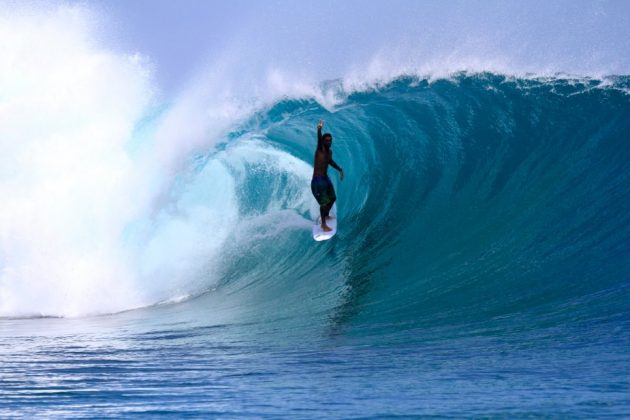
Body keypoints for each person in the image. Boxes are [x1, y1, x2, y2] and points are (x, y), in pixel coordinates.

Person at [311, 119, 344, 232]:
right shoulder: (320, 149)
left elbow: (330, 162)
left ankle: (325, 216)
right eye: (326, 140)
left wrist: (340, 169)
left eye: (330, 140)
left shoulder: (329, 152)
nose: (329, 142)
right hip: (318, 181)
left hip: (325, 179)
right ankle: (323, 224)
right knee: (324, 203)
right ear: (323, 141)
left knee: (333, 198)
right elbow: (319, 140)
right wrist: (319, 128)